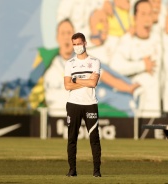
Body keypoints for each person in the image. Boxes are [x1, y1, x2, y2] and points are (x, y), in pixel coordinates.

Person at [110, 0, 161, 117]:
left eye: (150, 14)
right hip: (134, 112)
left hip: (156, 111)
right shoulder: (128, 40)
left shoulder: (159, 40)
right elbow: (115, 66)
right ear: (135, 18)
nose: (147, 19)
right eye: (143, 14)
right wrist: (142, 65)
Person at [64, 32, 101, 177]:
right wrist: (84, 81)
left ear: (85, 43)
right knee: (72, 138)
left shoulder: (95, 61)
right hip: (73, 104)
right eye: (74, 44)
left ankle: (97, 171)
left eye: (79, 43)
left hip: (90, 103)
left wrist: (76, 80)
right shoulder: (69, 63)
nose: (76, 47)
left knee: (94, 139)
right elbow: (67, 86)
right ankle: (72, 170)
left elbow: (93, 83)